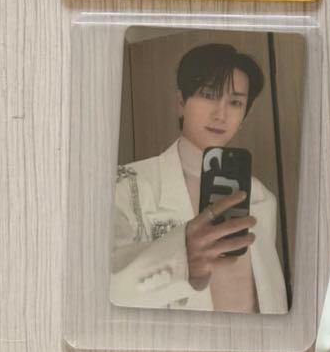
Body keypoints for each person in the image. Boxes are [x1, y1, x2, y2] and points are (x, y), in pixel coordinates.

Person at [110, 43, 288, 314]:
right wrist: (181, 258)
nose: (220, 114)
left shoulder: (261, 197)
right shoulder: (127, 184)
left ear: (244, 116)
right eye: (208, 95)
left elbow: (266, 295)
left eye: (235, 102)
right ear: (181, 103)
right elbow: (103, 285)